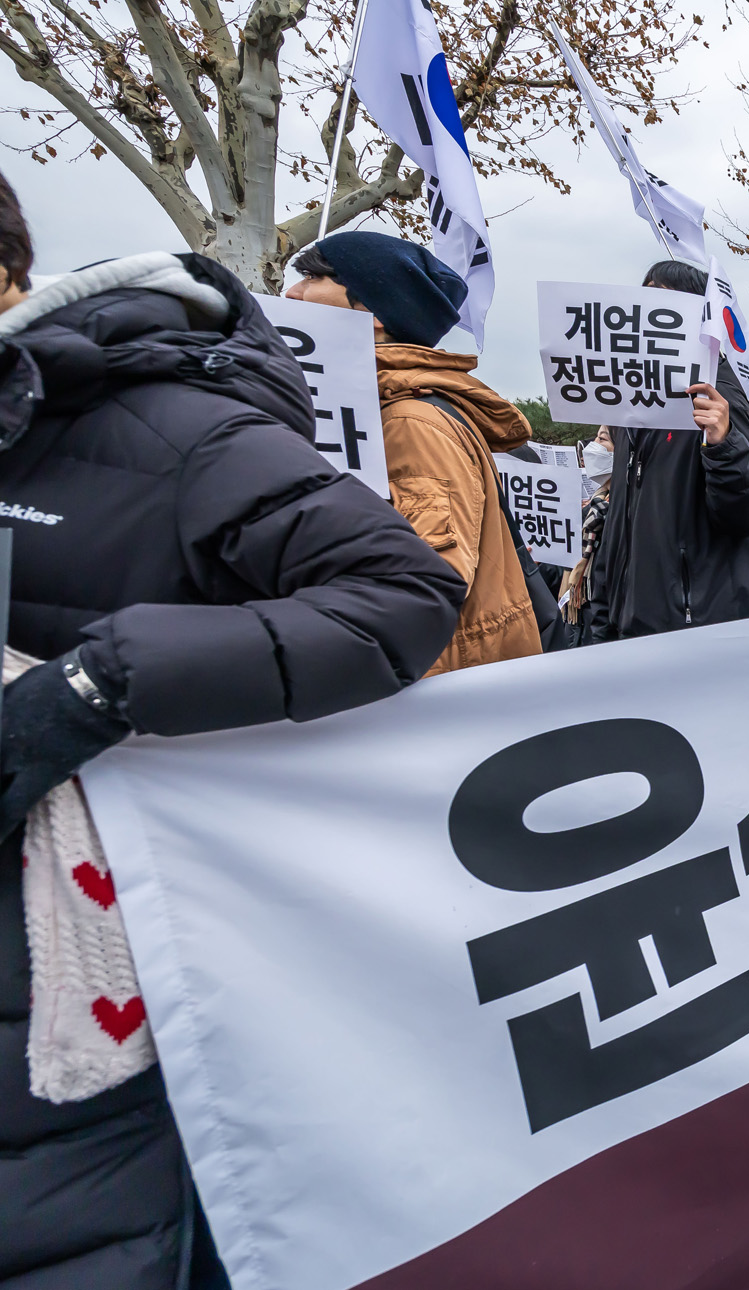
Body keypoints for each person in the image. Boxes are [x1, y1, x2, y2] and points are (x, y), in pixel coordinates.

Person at [0, 178, 464, 1288]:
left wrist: (88, 687)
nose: (292, 287)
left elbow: (420, 576)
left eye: (320, 279)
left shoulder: (368, 423)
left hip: (83, 991)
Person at [286, 231, 541, 672]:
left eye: (312, 276)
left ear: (372, 311)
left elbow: (422, 595)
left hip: (430, 690)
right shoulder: (377, 409)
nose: (292, 292)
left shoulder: (409, 422)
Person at [591, 259, 749, 634]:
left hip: (698, 629)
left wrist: (724, 447)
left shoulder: (722, 396)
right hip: (633, 626)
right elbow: (622, 523)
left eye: (661, 304)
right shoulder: (632, 410)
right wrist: (604, 614)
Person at [561, 427, 616, 645]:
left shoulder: (628, 512)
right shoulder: (591, 509)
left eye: (602, 438)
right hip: (581, 626)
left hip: (605, 632)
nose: (593, 445)